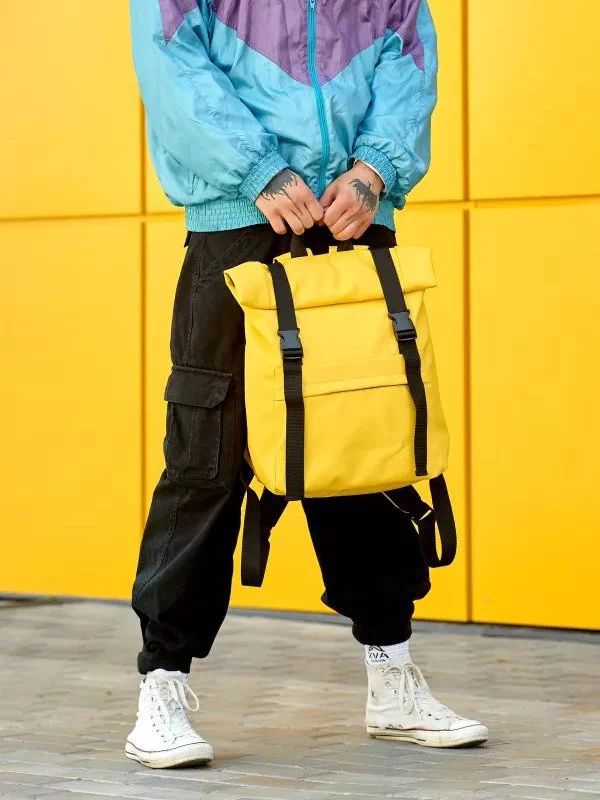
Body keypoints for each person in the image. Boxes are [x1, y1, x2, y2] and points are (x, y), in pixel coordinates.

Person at [126, 0, 488, 769]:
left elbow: (408, 50)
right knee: (207, 455)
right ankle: (161, 685)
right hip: (239, 221)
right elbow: (171, 57)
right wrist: (256, 168)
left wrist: (375, 168)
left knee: (365, 448)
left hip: (353, 219)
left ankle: (392, 678)